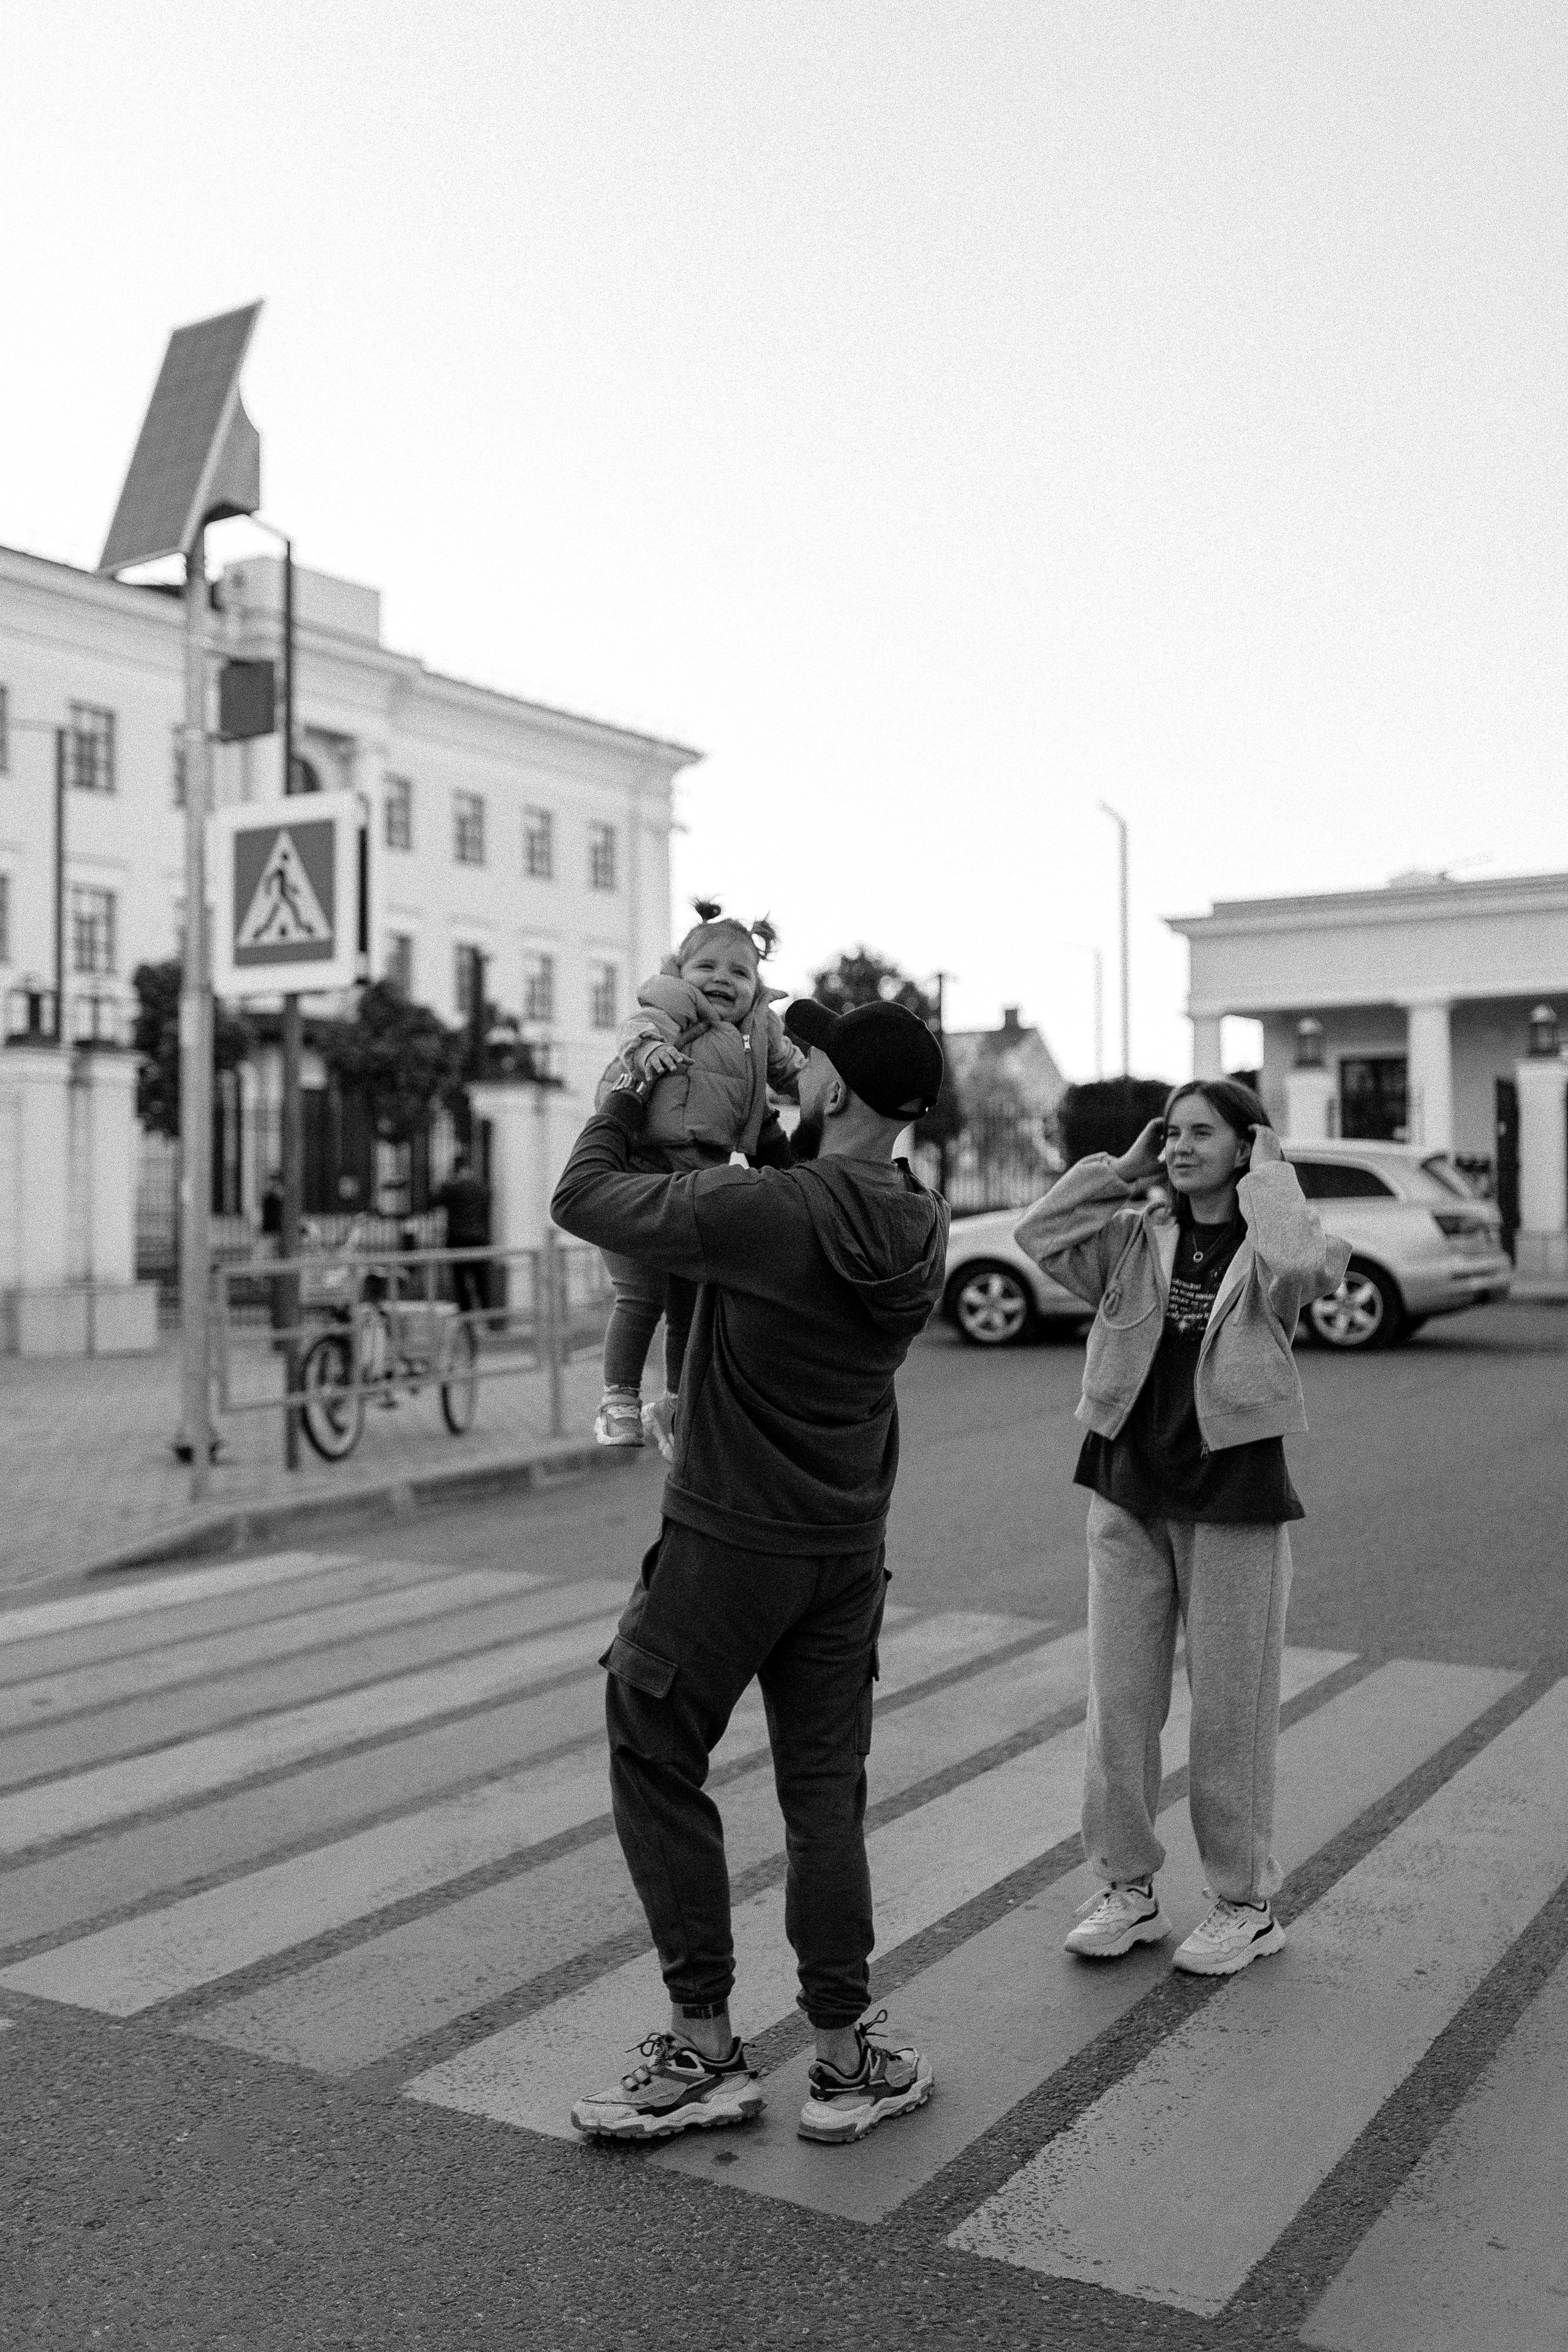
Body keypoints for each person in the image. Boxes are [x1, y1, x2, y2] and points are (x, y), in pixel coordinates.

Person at [551, 997, 949, 2144]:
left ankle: (706, 2047)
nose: (792, 1059)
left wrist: (631, 1084)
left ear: (831, 1091)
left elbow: (581, 1198)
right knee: (824, 1793)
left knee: (651, 1738)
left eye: (809, 1055)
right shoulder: (917, 1220)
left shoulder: (761, 1211)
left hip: (728, 1545)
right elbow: (802, 1183)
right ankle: (842, 2057)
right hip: (843, 1550)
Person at [1014, 1079, 1349, 1977]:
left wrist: (1271, 1181)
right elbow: (1039, 1235)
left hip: (1233, 1496)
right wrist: (1114, 1171)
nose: (1179, 1147)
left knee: (1229, 1713)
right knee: (1118, 1706)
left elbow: (1306, 1272)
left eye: (1203, 1134)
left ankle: (1245, 1902)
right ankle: (1127, 1887)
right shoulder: (1135, 1236)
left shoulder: (1273, 1248)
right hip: (1126, 1487)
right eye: (1172, 1134)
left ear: (1246, 1147)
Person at [592, 902, 805, 1460]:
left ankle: (680, 1397)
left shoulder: (761, 1028)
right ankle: (617, 1399)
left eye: (739, 972)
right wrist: (650, 1050)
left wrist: (820, 1077)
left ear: (757, 984)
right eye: (706, 967)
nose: (721, 980)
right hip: (648, 1166)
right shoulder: (674, 1003)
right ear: (681, 971)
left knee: (692, 1295)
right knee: (639, 1295)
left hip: (705, 1174)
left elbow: (790, 1071)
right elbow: (640, 1026)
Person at [434, 1152, 491, 1319]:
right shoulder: (480, 1187)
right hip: (479, 1239)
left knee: (461, 1283)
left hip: (458, 1240)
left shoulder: (452, 1187)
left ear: (455, 1169)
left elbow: (434, 1200)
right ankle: (489, 1319)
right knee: (482, 1282)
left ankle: (467, 1321)